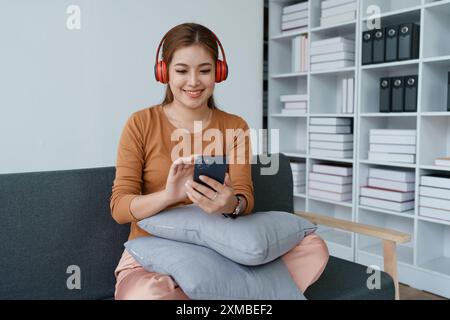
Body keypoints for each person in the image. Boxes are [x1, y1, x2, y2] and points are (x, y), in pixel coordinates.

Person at [110, 22, 329, 300]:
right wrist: (168, 196)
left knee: (313, 247)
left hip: (221, 252)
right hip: (153, 253)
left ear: (219, 72)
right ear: (163, 72)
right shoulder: (140, 123)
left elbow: (244, 198)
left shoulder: (235, 126)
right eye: (181, 70)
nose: (193, 82)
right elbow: (119, 208)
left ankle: (217, 290)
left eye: (204, 70)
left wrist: (231, 204)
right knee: (147, 295)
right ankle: (236, 292)